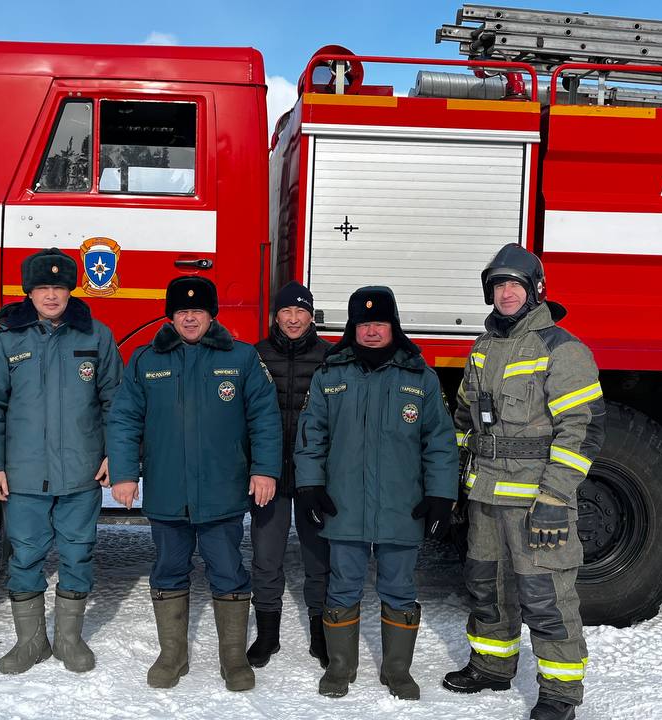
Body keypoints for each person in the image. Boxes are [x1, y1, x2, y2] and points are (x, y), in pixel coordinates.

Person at [441, 243, 605, 720]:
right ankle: (493, 666)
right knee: (485, 585)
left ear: (536, 290)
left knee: (546, 597)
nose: (506, 293)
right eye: (498, 285)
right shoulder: (483, 347)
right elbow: (464, 418)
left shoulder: (563, 348)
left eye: (515, 284)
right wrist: (456, 481)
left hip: (537, 500)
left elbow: (584, 428)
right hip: (485, 496)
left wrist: (555, 496)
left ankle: (559, 696)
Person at [105, 275, 281, 692]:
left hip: (222, 491)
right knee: (168, 569)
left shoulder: (240, 358)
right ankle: (172, 656)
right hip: (168, 491)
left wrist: (264, 470)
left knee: (228, 570)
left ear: (211, 315)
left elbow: (265, 418)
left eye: (197, 311)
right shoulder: (146, 360)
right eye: (182, 312)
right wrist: (126, 474)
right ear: (170, 316)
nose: (189, 318)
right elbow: (125, 419)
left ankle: (234, 660)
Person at [295, 286, 458, 700]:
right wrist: (310, 485)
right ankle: (340, 668)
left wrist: (441, 496)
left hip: (401, 507)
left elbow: (439, 442)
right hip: (343, 504)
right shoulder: (331, 375)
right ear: (353, 328)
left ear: (393, 327)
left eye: (379, 324)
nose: (371, 332)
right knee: (342, 586)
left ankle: (397, 671)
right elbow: (311, 436)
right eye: (364, 324)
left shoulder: (419, 378)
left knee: (400, 589)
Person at [0, 247, 122, 675]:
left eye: (58, 287)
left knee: (79, 553)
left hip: (81, 471)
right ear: (29, 292)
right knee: (24, 556)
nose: (51, 295)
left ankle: (69, 638)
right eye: (42, 287)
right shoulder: (5, 339)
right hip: (22, 474)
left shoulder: (97, 336)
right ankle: (30, 641)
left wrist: (116, 454)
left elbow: (116, 401)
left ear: (70, 289)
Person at [246, 281, 332, 668]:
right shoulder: (255, 357)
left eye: (301, 312)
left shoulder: (331, 358)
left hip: (315, 478)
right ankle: (267, 635)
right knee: (267, 557)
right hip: (270, 478)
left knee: (319, 558)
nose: (293, 319)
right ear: (275, 316)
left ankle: (321, 634)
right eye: (286, 312)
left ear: (311, 316)